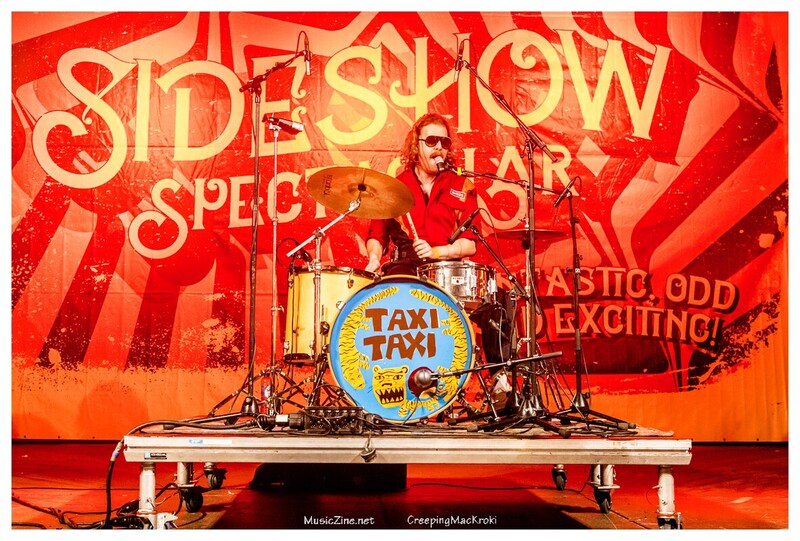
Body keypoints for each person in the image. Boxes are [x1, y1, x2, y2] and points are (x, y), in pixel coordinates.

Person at [365, 113, 480, 275]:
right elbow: (377, 235)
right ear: (416, 146)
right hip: (405, 268)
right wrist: (374, 258)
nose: (439, 147)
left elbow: (470, 245)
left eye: (444, 142)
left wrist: (436, 252)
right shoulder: (394, 187)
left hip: (446, 269)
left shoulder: (463, 186)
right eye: (431, 141)